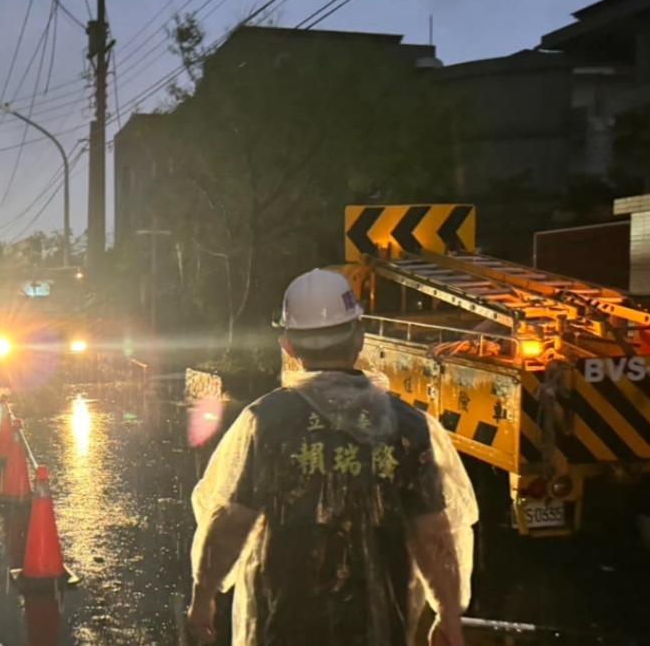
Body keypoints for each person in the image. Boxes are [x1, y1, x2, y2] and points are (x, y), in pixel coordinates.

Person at [187, 268, 465, 646]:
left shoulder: (265, 422)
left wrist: (202, 599)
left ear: (289, 346)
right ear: (361, 338)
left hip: (284, 624)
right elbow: (434, 534)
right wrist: (448, 614)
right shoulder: (408, 426)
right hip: (380, 628)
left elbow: (230, 522)